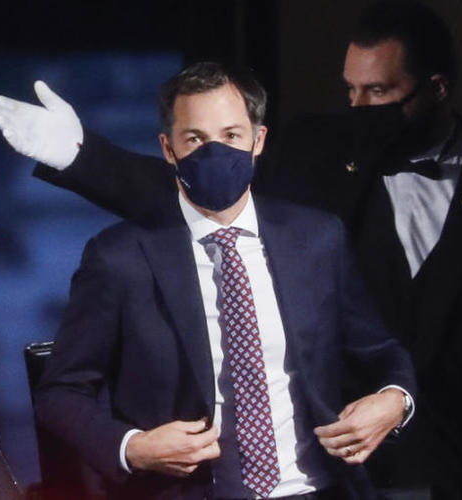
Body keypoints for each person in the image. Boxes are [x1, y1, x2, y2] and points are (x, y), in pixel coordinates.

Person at [0, 2, 462, 497]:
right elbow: (198, 191)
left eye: (378, 92)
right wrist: (80, 155)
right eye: (350, 91)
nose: (359, 111)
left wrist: (397, 399)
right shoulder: (317, 152)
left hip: (443, 453)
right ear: (169, 148)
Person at [26, 62, 416, 500]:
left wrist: (395, 400)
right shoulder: (118, 259)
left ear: (258, 140)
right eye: (195, 139)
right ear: (168, 148)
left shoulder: (317, 239)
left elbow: (382, 350)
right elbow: (60, 393)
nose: (216, 153)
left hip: (318, 488)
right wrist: (132, 447)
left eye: (231, 136)